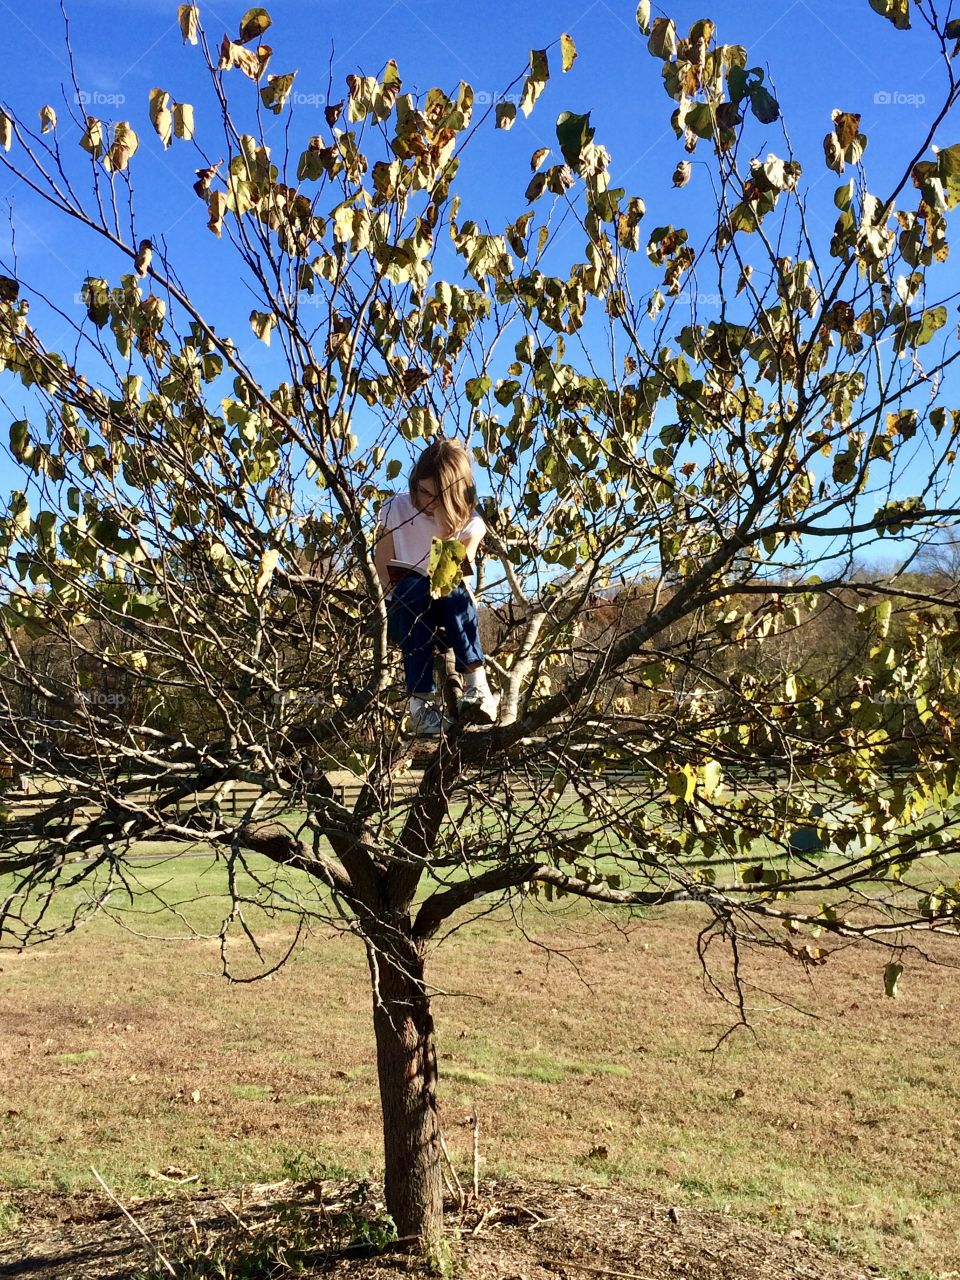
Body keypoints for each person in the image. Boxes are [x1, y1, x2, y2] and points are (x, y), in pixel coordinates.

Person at [374, 438, 498, 736]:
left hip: (451, 613)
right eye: (423, 490)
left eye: (438, 496)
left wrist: (446, 528)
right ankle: (419, 709)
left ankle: (478, 687)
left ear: (455, 495)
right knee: (414, 588)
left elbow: (452, 577)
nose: (427, 502)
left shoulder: (471, 523)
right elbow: (381, 566)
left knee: (448, 585)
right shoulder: (395, 507)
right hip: (407, 609)